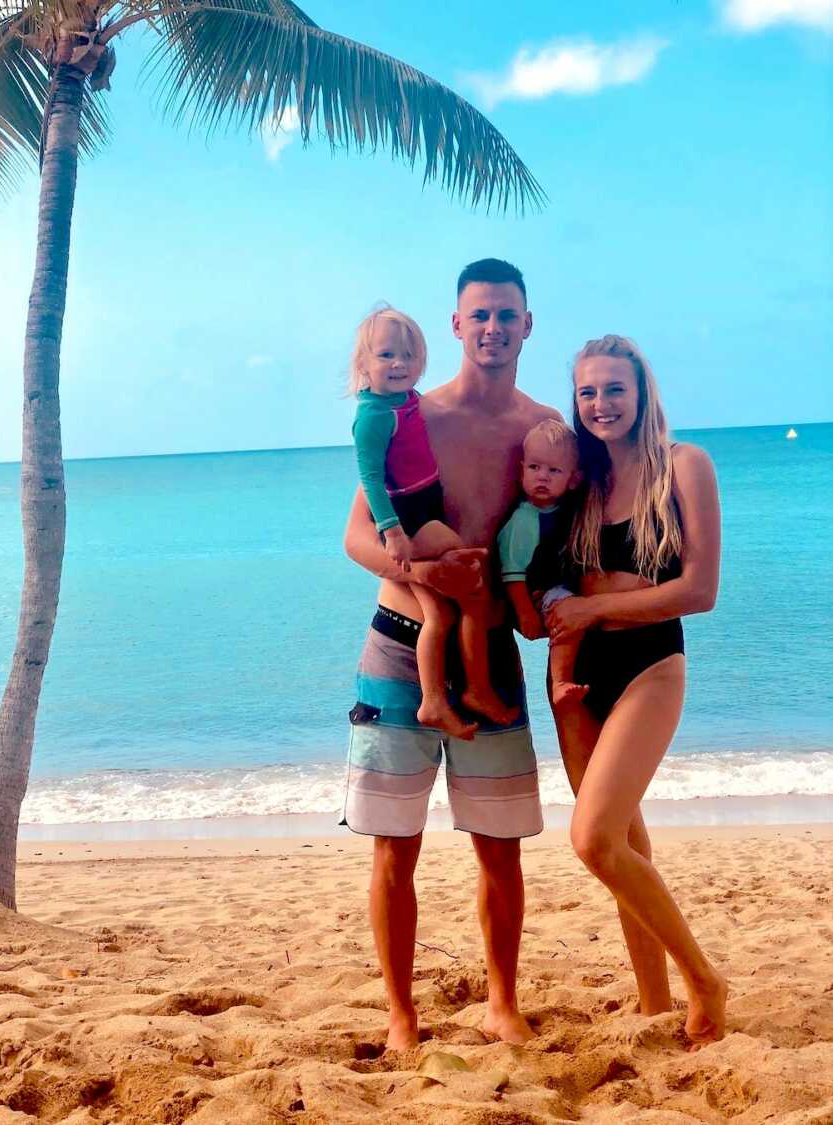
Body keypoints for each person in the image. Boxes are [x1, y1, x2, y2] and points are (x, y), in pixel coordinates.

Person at [341, 259, 560, 1050]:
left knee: (500, 848)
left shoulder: (541, 430)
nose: (494, 327)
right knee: (395, 845)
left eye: (508, 314)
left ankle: (503, 1000)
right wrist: (421, 567)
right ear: (457, 325)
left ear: (527, 325)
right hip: (398, 644)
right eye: (480, 315)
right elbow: (358, 535)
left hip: (490, 648)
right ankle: (401, 1014)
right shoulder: (410, 415)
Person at [545, 334, 727, 1045]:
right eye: (587, 391)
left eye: (614, 389)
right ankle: (653, 1001)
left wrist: (593, 608)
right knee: (622, 841)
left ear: (642, 392)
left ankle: (704, 978)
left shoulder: (684, 466)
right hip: (578, 677)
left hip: (652, 666)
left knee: (592, 839)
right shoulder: (577, 480)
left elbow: (700, 590)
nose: (600, 404)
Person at [350, 305, 519, 740]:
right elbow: (370, 479)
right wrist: (393, 535)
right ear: (362, 363)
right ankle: (459, 694)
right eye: (387, 356)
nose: (400, 365)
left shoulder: (410, 401)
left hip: (423, 510)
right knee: (461, 599)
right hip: (412, 518)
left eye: (410, 356)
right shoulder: (372, 415)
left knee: (444, 611)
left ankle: (446, 698)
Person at [497, 418, 587, 707]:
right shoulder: (524, 520)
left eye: (554, 470)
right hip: (534, 592)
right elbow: (512, 573)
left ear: (573, 479)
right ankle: (560, 680)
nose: (543, 477)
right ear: (521, 470)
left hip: (557, 584)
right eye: (534, 467)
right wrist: (526, 614)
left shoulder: (568, 509)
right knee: (567, 612)